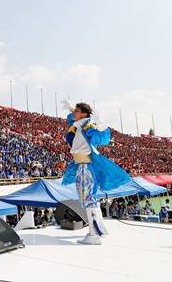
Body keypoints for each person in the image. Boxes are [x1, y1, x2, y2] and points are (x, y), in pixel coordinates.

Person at [60, 101, 130, 245]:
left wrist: (103, 127)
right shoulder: (79, 125)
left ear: (84, 114)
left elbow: (102, 138)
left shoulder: (87, 126)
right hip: (82, 165)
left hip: (85, 166)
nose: (74, 113)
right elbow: (71, 119)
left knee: (87, 198)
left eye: (77, 111)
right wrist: (72, 108)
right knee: (90, 198)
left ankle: (93, 235)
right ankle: (100, 229)